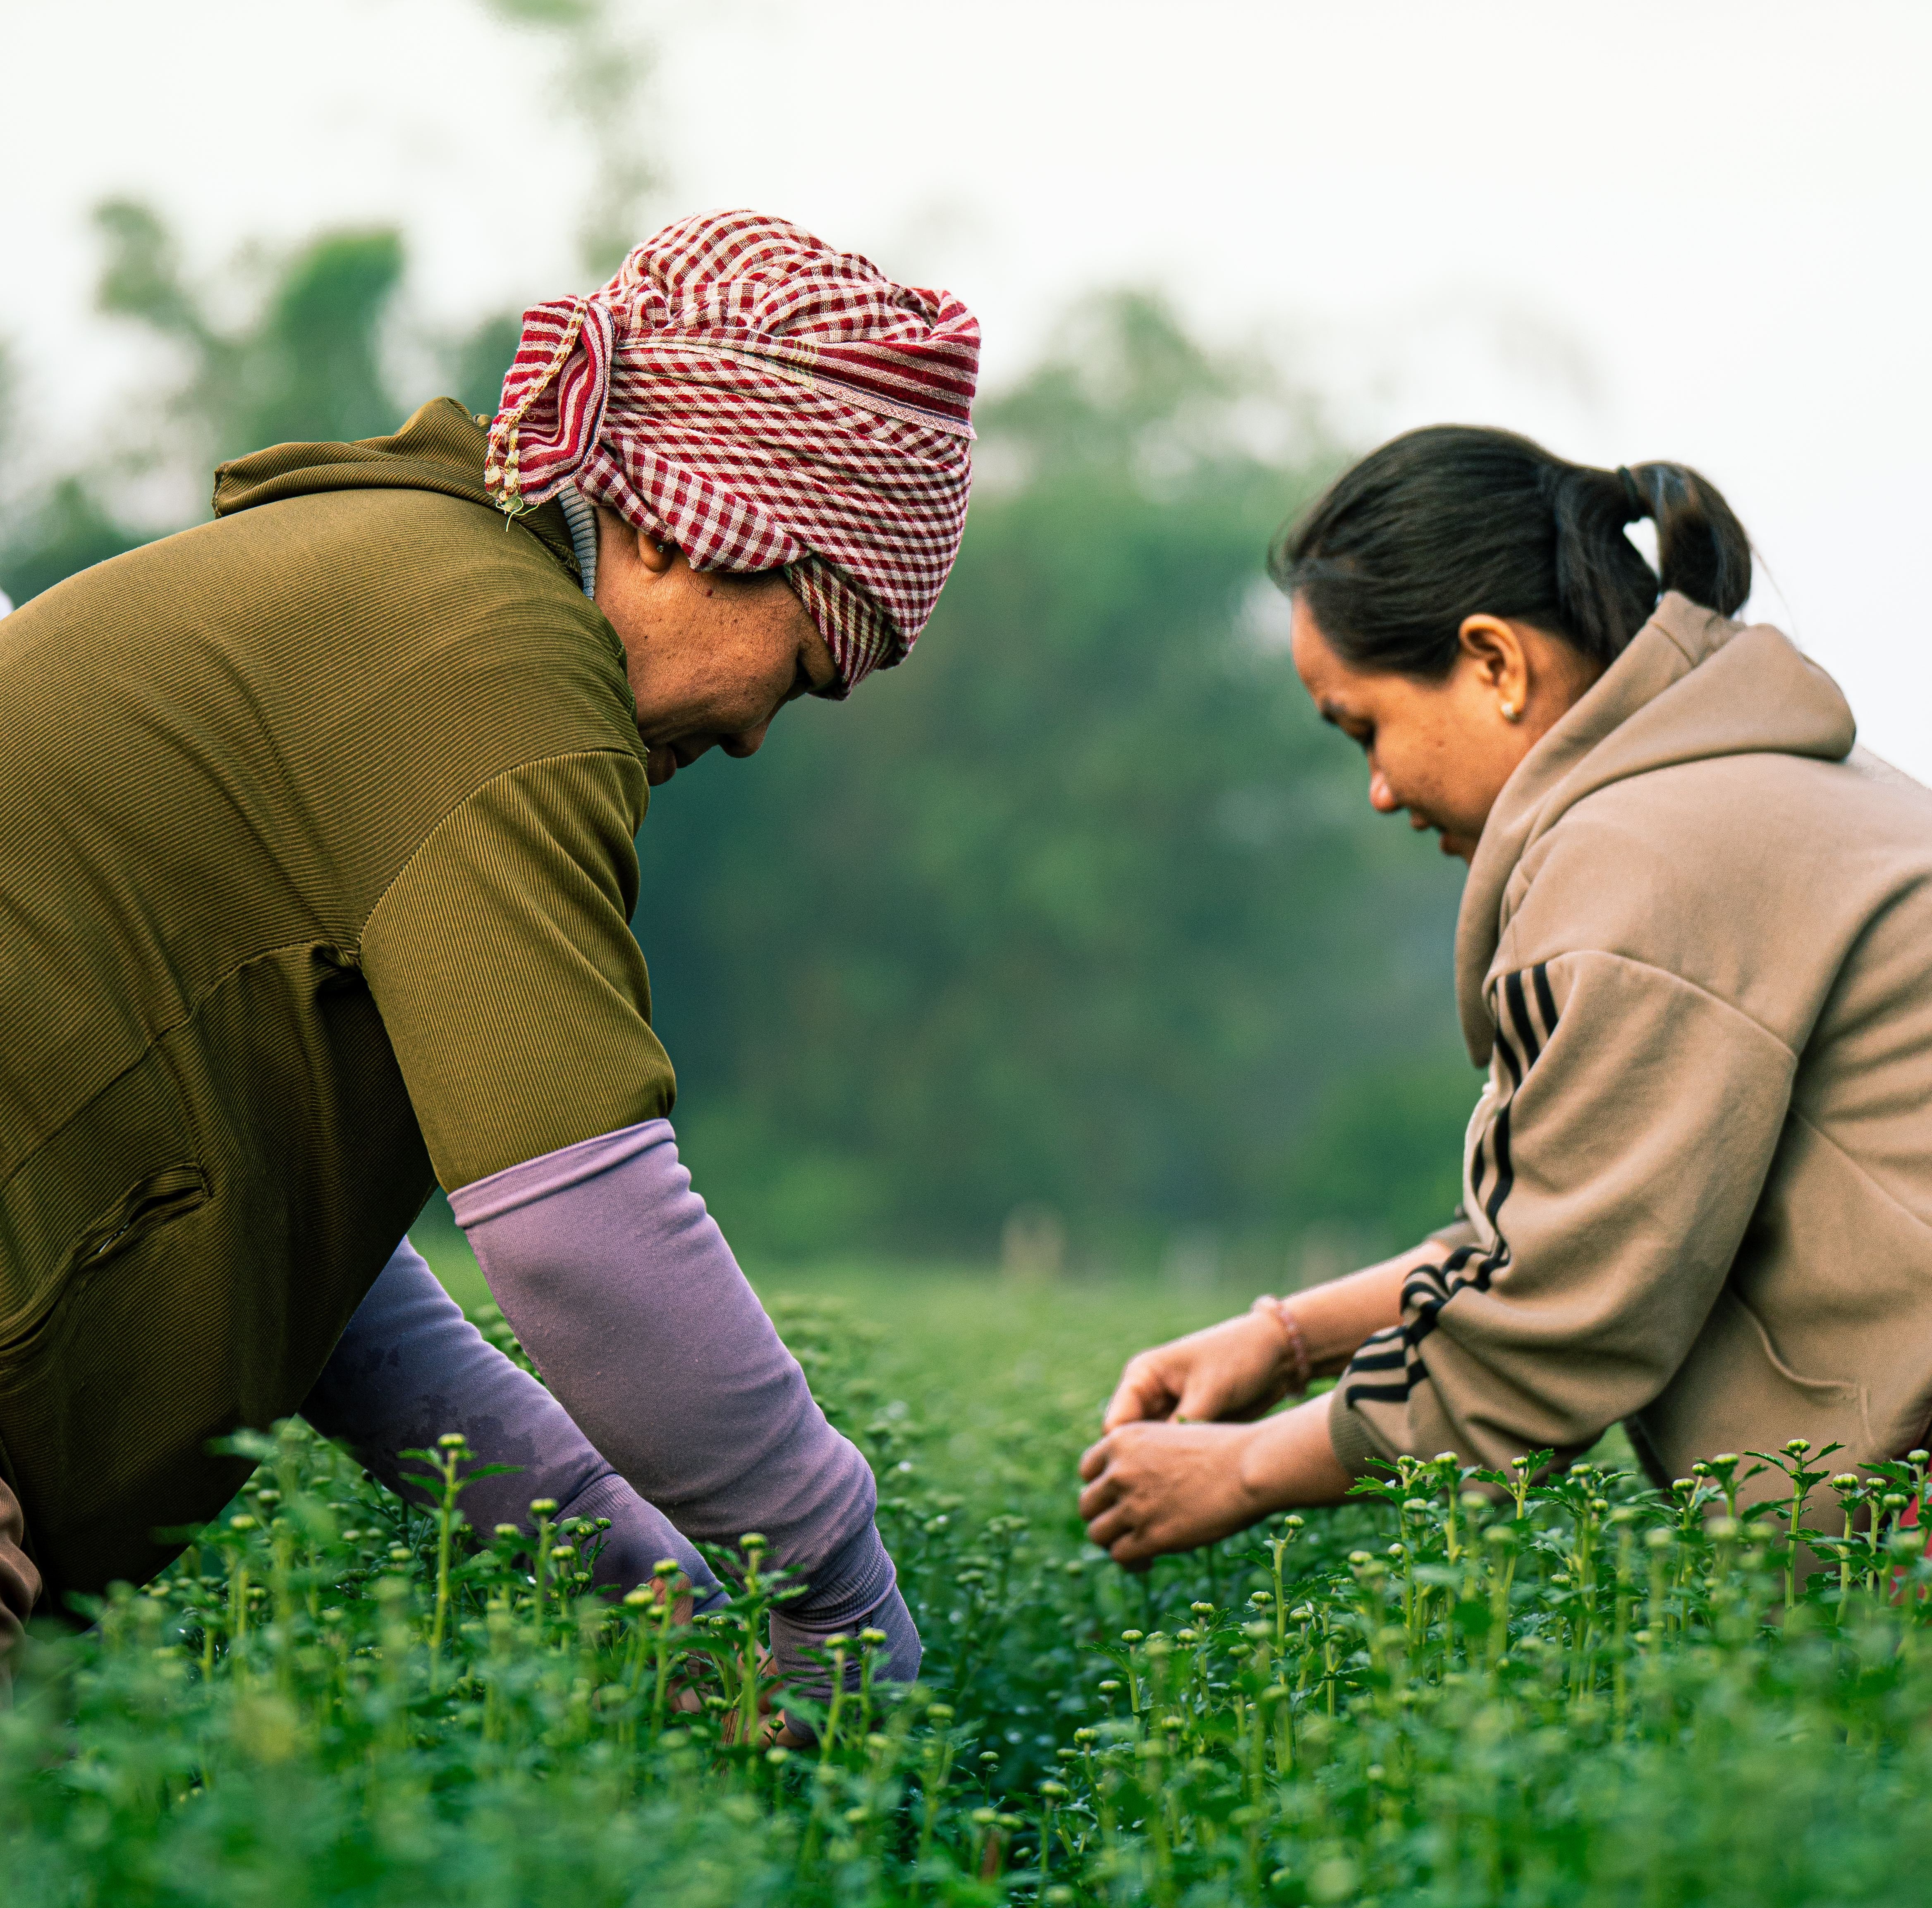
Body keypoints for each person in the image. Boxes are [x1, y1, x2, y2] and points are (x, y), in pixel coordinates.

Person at [0, 208, 979, 1686]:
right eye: (810, 657)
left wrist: (633, 1570)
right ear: (679, 524)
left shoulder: (411, 591)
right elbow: (587, 1239)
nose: (761, 730)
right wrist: (839, 1603)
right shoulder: (495, 674)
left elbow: (336, 1295)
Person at [1080, 423, 1932, 1566]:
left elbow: (1557, 1324)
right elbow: (1574, 1221)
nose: (1379, 791)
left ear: (1494, 663)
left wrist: (1243, 1470)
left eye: (1364, 728)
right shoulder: (1775, 786)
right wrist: (1287, 1339)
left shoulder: (1643, 862)